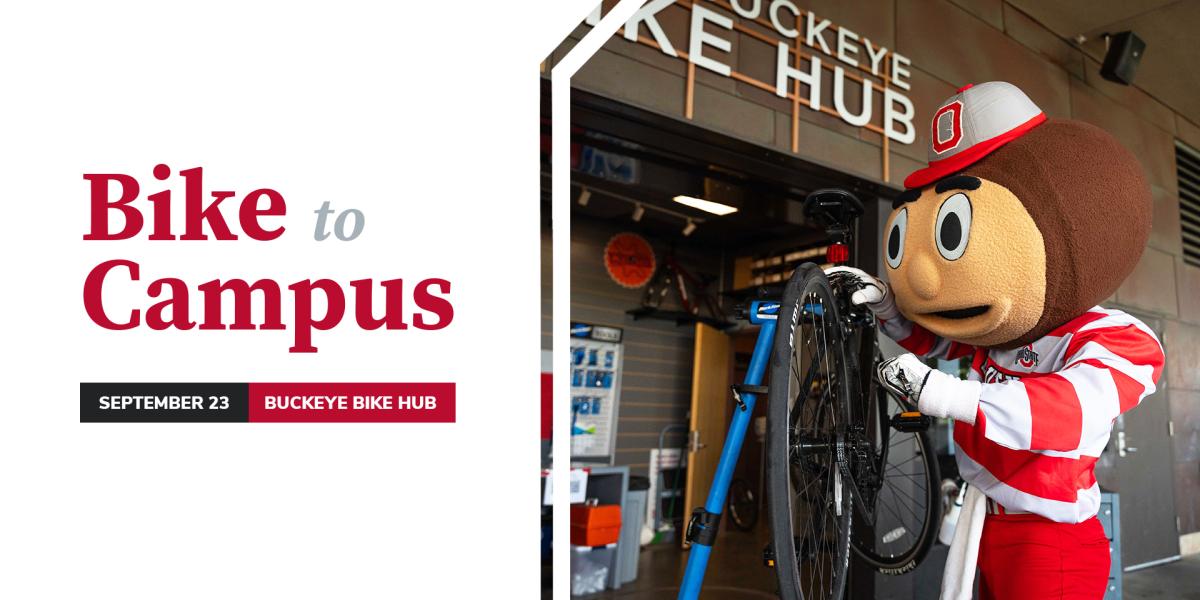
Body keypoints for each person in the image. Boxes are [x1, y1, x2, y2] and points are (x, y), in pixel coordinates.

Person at [828, 81, 1165, 600]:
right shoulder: (1005, 338)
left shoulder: (1118, 339)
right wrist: (886, 308)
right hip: (985, 520)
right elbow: (943, 345)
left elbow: (1068, 412)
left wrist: (942, 394)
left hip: (1050, 539)